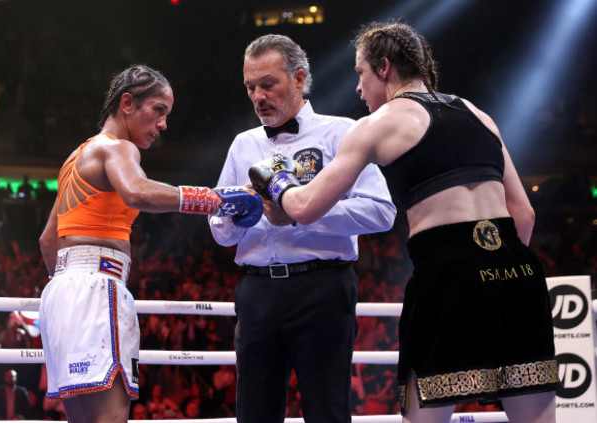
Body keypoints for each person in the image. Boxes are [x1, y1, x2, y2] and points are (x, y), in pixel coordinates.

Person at [250, 21, 559, 423]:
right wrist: (497, 264)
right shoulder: (477, 113)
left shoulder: (378, 124)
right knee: (533, 411)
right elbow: (524, 214)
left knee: (424, 412)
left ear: (383, 67)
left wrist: (276, 178)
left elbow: (306, 206)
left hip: (448, 273)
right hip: (518, 272)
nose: (359, 89)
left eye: (360, 74)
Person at [38, 64, 263, 423]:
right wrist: (215, 199)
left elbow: (48, 239)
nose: (163, 124)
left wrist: (72, 288)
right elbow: (138, 191)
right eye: (158, 110)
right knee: (111, 418)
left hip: (60, 293)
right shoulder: (118, 149)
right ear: (127, 103)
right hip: (96, 285)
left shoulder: (75, 158)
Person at [209, 34, 396, 423]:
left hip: (321, 289)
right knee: (254, 414)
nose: (258, 95)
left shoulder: (342, 132)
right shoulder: (242, 145)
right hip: (256, 290)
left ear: (298, 78)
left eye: (267, 84)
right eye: (250, 87)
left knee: (327, 411)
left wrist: (302, 212)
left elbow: (381, 211)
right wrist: (236, 216)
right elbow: (220, 231)